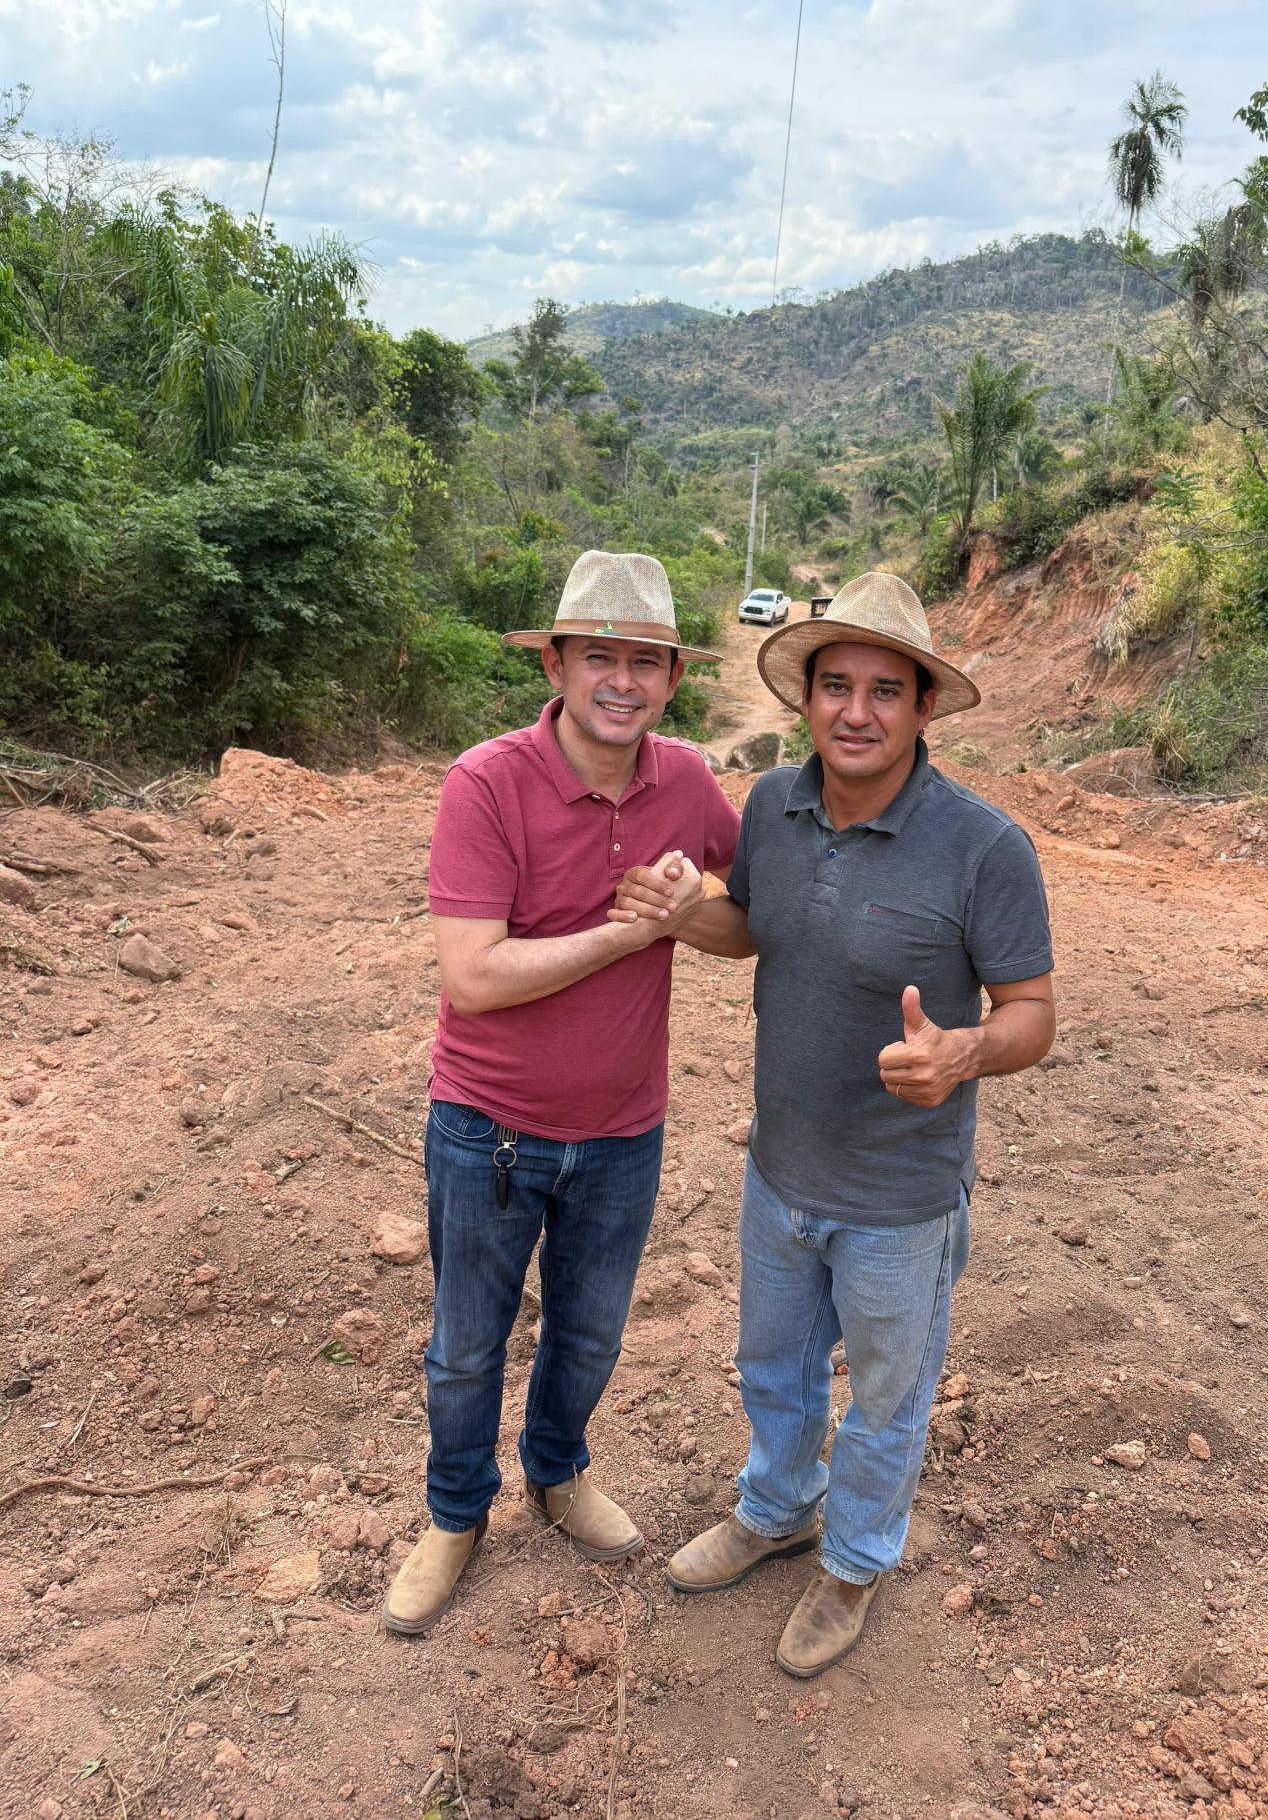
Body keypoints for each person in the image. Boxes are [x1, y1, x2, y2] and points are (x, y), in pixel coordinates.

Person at [609, 572, 1056, 1678]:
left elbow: (1033, 1015)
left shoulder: (984, 848)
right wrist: (681, 915)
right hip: (779, 1170)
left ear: (922, 709)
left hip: (900, 1196)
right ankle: (776, 1510)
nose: (858, 711)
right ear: (805, 699)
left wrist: (962, 1052)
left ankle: (853, 1560)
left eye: (886, 691)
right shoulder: (772, 805)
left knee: (889, 1398)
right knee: (773, 1366)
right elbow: (756, 927)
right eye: (837, 686)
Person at [381, 551, 739, 1637]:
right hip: (485, 1128)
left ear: (673, 676)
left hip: (624, 1132)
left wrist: (686, 910)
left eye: (644, 661)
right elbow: (475, 976)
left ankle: (556, 1473)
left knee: (586, 1334)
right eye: (599, 657)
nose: (619, 680)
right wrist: (629, 931)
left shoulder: (687, 784)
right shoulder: (485, 782)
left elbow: (748, 928)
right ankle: (454, 1516)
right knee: (465, 1345)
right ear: (556, 661)